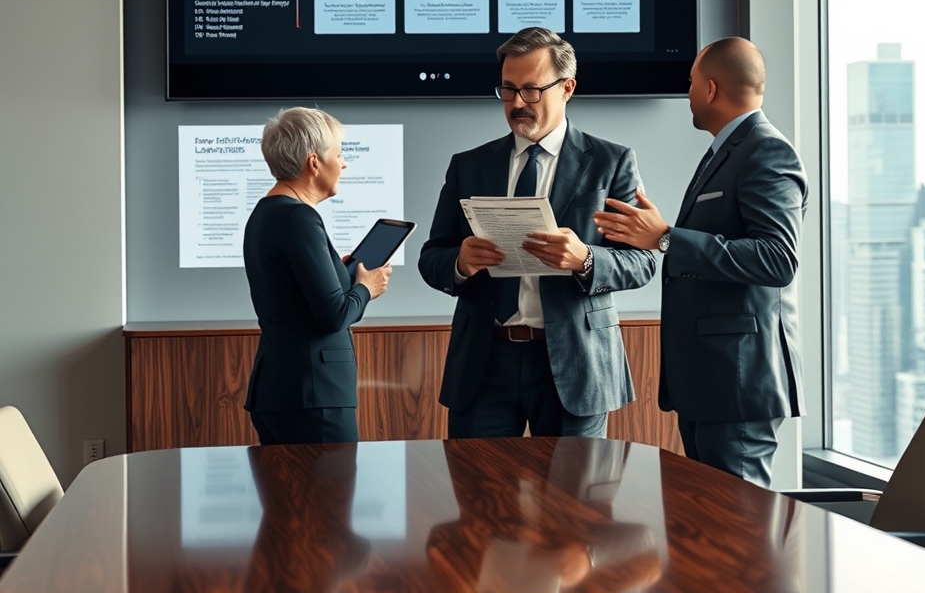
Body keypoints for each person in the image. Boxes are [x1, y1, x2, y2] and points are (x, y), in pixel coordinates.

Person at [419, 27, 656, 439]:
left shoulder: (610, 163)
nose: (516, 104)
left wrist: (585, 258)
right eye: (507, 90)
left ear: (567, 88)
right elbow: (432, 257)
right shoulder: (468, 166)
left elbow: (643, 261)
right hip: (484, 363)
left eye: (531, 91)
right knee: (479, 500)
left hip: (576, 363)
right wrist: (460, 262)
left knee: (576, 501)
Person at [594, 37, 807, 487]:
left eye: (690, 82)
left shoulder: (766, 151)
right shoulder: (727, 151)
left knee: (739, 536)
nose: (687, 92)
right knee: (714, 531)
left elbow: (778, 258)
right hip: (709, 385)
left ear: (710, 89)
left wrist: (667, 237)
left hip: (738, 386)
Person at [243, 106, 391, 445]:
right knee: (330, 499)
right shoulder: (299, 218)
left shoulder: (266, 213)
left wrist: (338, 269)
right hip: (313, 396)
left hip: (280, 390)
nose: (343, 164)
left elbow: (294, 292)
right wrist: (367, 287)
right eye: (338, 154)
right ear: (314, 163)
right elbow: (334, 314)